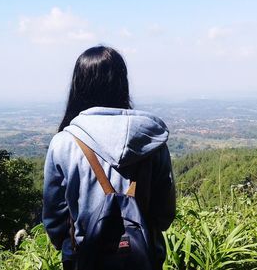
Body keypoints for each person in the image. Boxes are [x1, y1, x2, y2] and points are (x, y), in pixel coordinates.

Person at [42, 46, 176, 270]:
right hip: (144, 258)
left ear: (79, 85)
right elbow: (164, 216)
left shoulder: (64, 143)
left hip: (83, 259)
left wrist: (69, 244)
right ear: (122, 83)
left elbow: (55, 219)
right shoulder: (152, 142)